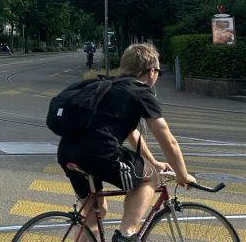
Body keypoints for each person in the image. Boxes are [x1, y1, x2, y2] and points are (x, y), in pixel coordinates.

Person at [57, 43, 195, 242]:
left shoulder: (108, 87)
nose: (157, 76)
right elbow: (168, 139)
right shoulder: (140, 92)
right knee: (149, 178)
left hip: (68, 151)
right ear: (150, 72)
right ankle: (126, 234)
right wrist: (182, 174)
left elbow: (132, 133)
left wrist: (154, 162)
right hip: (99, 153)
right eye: (159, 72)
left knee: (95, 215)